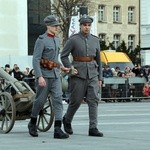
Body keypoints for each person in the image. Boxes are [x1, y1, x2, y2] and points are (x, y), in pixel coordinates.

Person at [28, 15, 70, 139]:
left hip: (55, 76)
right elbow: (36, 60)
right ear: (48, 26)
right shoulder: (41, 40)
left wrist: (61, 67)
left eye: (57, 26)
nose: (57, 28)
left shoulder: (56, 40)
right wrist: (39, 76)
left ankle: (57, 129)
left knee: (58, 100)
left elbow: (54, 59)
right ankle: (32, 122)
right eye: (54, 26)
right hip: (44, 76)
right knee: (40, 101)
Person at [61, 14, 103, 137]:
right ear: (80, 26)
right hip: (78, 74)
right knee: (76, 101)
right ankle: (67, 120)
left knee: (93, 100)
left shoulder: (95, 40)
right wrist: (70, 68)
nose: (87, 27)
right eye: (84, 25)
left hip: (93, 74)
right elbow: (64, 55)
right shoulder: (73, 39)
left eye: (89, 25)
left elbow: (99, 60)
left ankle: (93, 127)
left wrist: (100, 77)